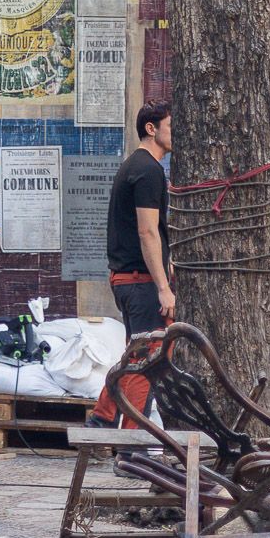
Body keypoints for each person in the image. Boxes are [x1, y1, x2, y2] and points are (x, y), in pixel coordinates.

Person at [89, 101, 173, 429]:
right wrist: (163, 287)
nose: (177, 133)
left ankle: (102, 419)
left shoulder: (135, 166)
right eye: (171, 126)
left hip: (130, 279)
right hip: (140, 282)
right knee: (147, 360)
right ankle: (130, 444)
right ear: (151, 129)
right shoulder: (148, 170)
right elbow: (147, 231)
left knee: (139, 354)